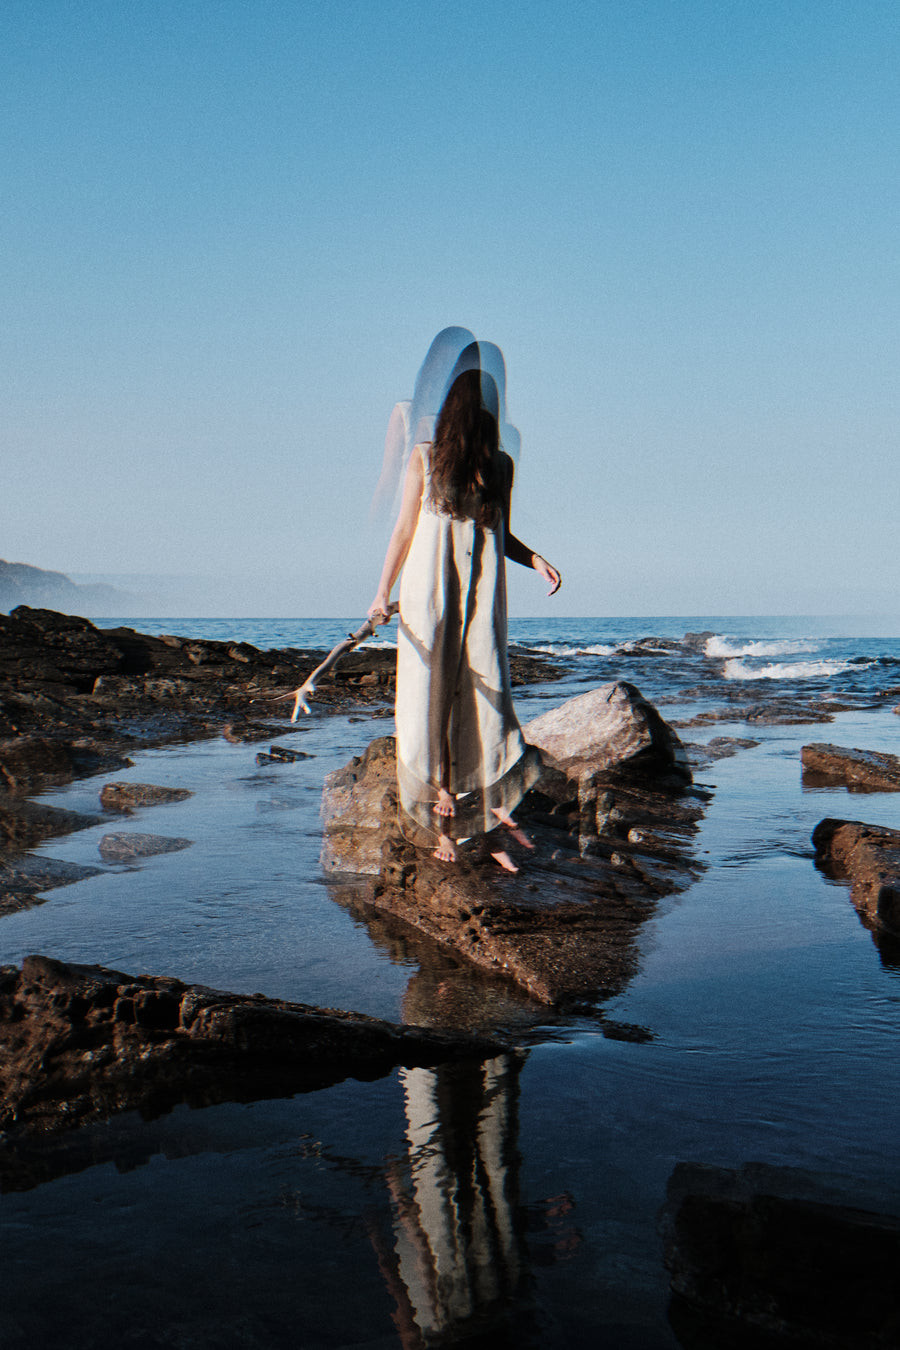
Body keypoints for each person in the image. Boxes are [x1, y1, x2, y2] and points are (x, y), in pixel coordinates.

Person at [368, 365, 561, 870]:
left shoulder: (499, 466)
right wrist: (381, 593)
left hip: (480, 595)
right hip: (429, 591)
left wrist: (535, 559)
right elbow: (405, 530)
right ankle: (443, 821)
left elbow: (501, 533)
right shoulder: (425, 458)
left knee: (487, 698)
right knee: (429, 696)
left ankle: (491, 820)